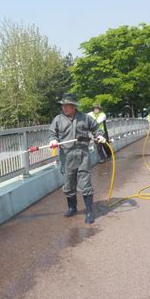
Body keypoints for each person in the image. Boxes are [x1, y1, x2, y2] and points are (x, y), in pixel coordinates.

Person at [49, 93, 106, 224]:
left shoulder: (85, 118)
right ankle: (72, 207)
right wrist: (53, 140)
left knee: (85, 183)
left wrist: (100, 136)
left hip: (82, 155)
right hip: (66, 156)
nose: (64, 108)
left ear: (74, 106)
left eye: (67, 106)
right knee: (68, 184)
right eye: (63, 106)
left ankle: (90, 212)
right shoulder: (58, 119)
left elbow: (97, 129)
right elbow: (52, 133)